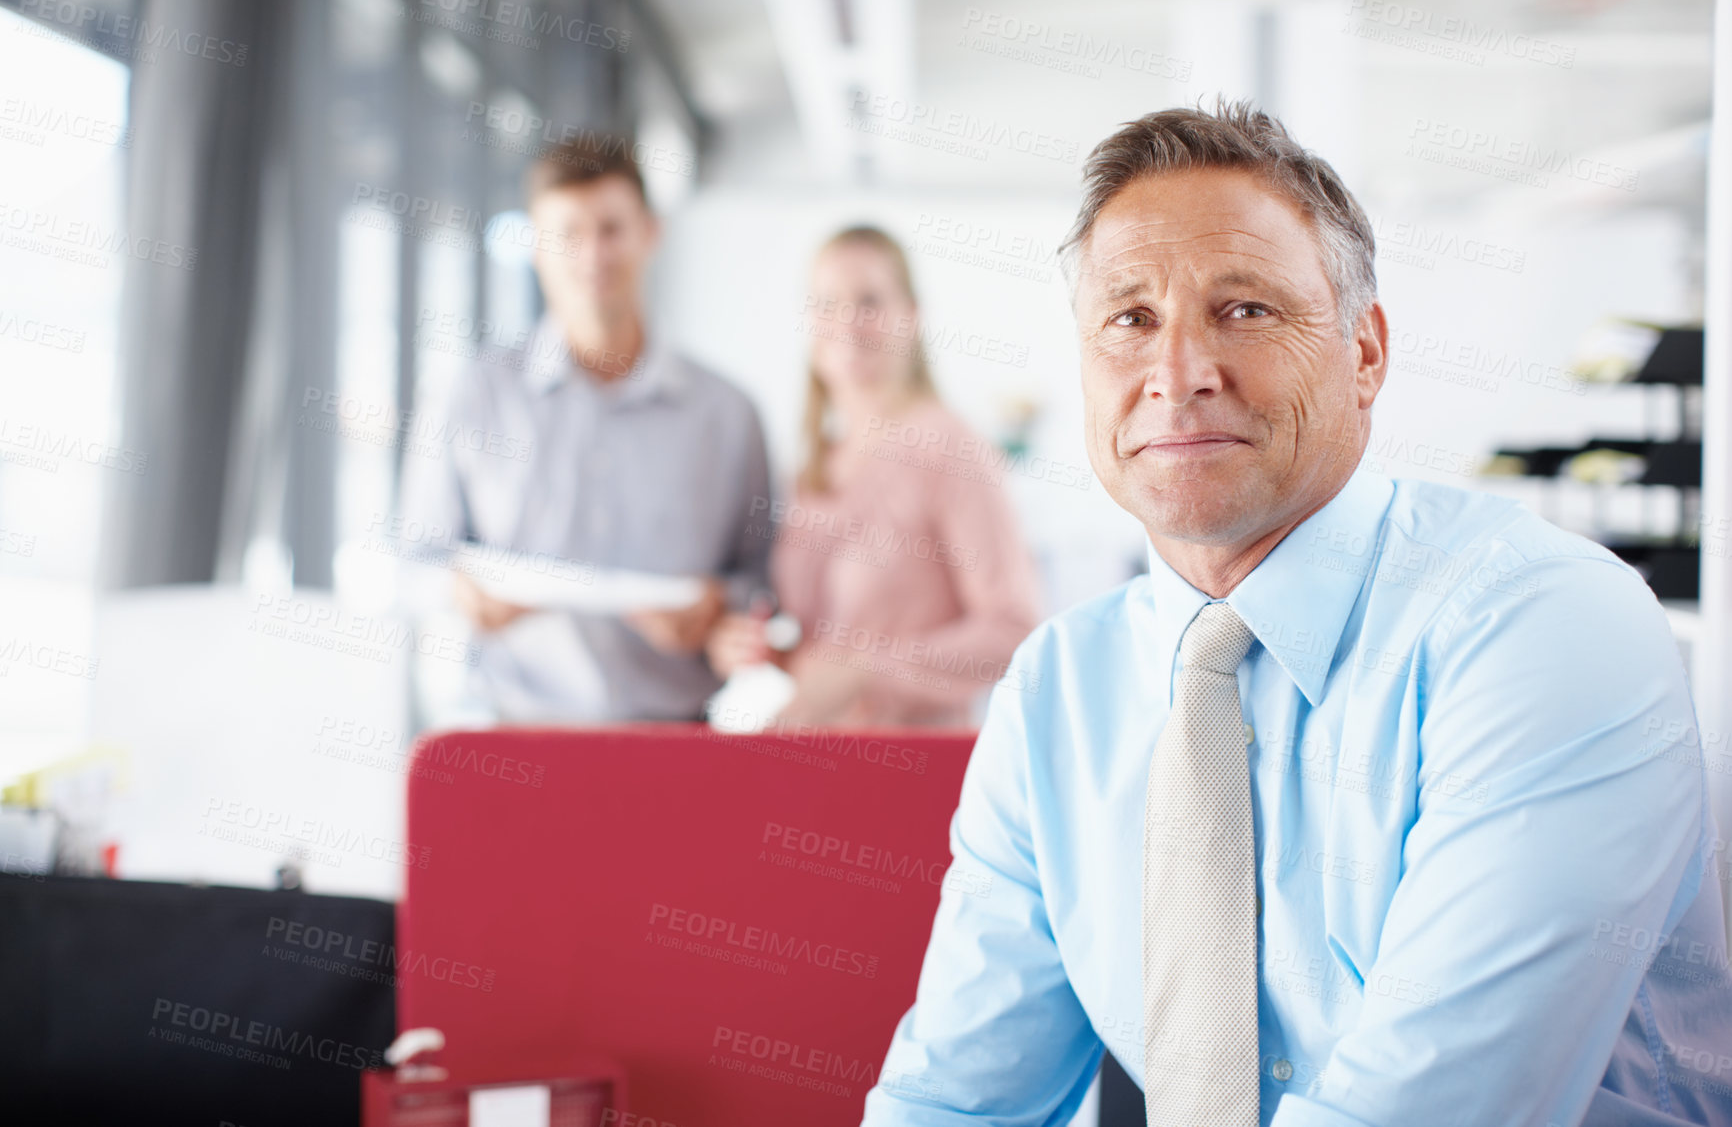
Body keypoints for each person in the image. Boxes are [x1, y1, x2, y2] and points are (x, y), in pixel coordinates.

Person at [861, 102, 1732, 1126]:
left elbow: (1420, 1110)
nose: (1177, 373)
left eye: (1245, 310)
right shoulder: (1060, 688)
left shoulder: (1542, 628)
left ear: (1364, 354)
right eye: (1129, 319)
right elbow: (957, 1098)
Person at [397, 135, 771, 722]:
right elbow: (413, 561)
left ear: (651, 233)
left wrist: (724, 607)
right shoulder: (471, 394)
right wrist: (458, 591)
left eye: (611, 229)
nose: (593, 255)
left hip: (675, 744)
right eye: (568, 234)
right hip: (510, 736)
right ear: (536, 246)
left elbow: (761, 575)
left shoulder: (727, 414)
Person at [705, 226, 1042, 727]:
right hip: (815, 770)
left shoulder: (951, 449)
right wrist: (752, 647)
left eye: (869, 301)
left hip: (917, 772)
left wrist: (866, 671)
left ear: (912, 316)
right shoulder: (811, 466)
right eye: (826, 303)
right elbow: (813, 642)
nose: (847, 322)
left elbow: (1014, 631)